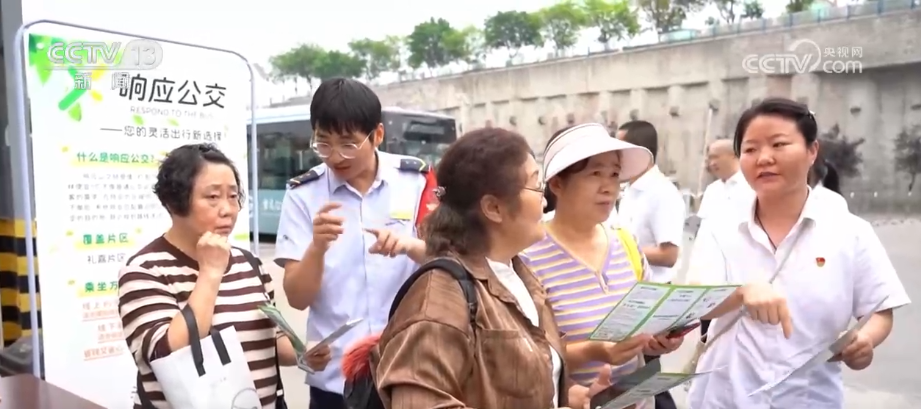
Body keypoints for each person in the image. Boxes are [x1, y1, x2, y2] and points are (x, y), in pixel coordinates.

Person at [686, 98, 910, 408]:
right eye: (750, 149)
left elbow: (880, 309)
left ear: (812, 151)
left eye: (779, 144)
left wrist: (865, 341)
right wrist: (740, 294)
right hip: (725, 397)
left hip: (808, 398)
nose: (764, 158)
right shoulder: (719, 227)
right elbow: (695, 302)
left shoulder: (850, 231)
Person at [373, 128, 619, 409]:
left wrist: (572, 398)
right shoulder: (441, 296)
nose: (545, 200)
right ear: (493, 208)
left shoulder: (519, 274)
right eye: (536, 186)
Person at [119, 144, 320, 409]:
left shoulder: (250, 263)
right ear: (175, 201)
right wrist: (210, 272)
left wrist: (303, 353)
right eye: (213, 197)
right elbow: (167, 353)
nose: (228, 209)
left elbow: (270, 338)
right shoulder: (145, 269)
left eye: (233, 196)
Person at [275, 78, 431, 409]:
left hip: (409, 369)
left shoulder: (416, 182)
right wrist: (317, 248)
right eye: (323, 144)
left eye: (348, 144)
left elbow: (448, 259)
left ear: (377, 135)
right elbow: (297, 298)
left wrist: (408, 246)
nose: (335, 157)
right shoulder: (303, 195)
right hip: (336, 379)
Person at [522, 123, 684, 407]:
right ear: (557, 184)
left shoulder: (626, 242)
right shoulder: (527, 256)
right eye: (595, 174)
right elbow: (522, 356)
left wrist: (658, 340)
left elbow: (647, 322)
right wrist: (593, 351)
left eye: (614, 174)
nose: (609, 187)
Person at [614, 120, 684, 409]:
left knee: (645, 378)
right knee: (635, 377)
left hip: (653, 294)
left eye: (620, 148)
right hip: (629, 294)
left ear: (639, 151)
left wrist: (621, 248)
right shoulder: (628, 191)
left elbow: (669, 254)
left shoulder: (662, 193)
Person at [695, 138, 753, 338]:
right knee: (706, 335)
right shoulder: (712, 190)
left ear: (734, 155)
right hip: (708, 279)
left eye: (715, 157)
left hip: (736, 278)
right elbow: (703, 233)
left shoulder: (751, 189)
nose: (711, 163)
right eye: (709, 158)